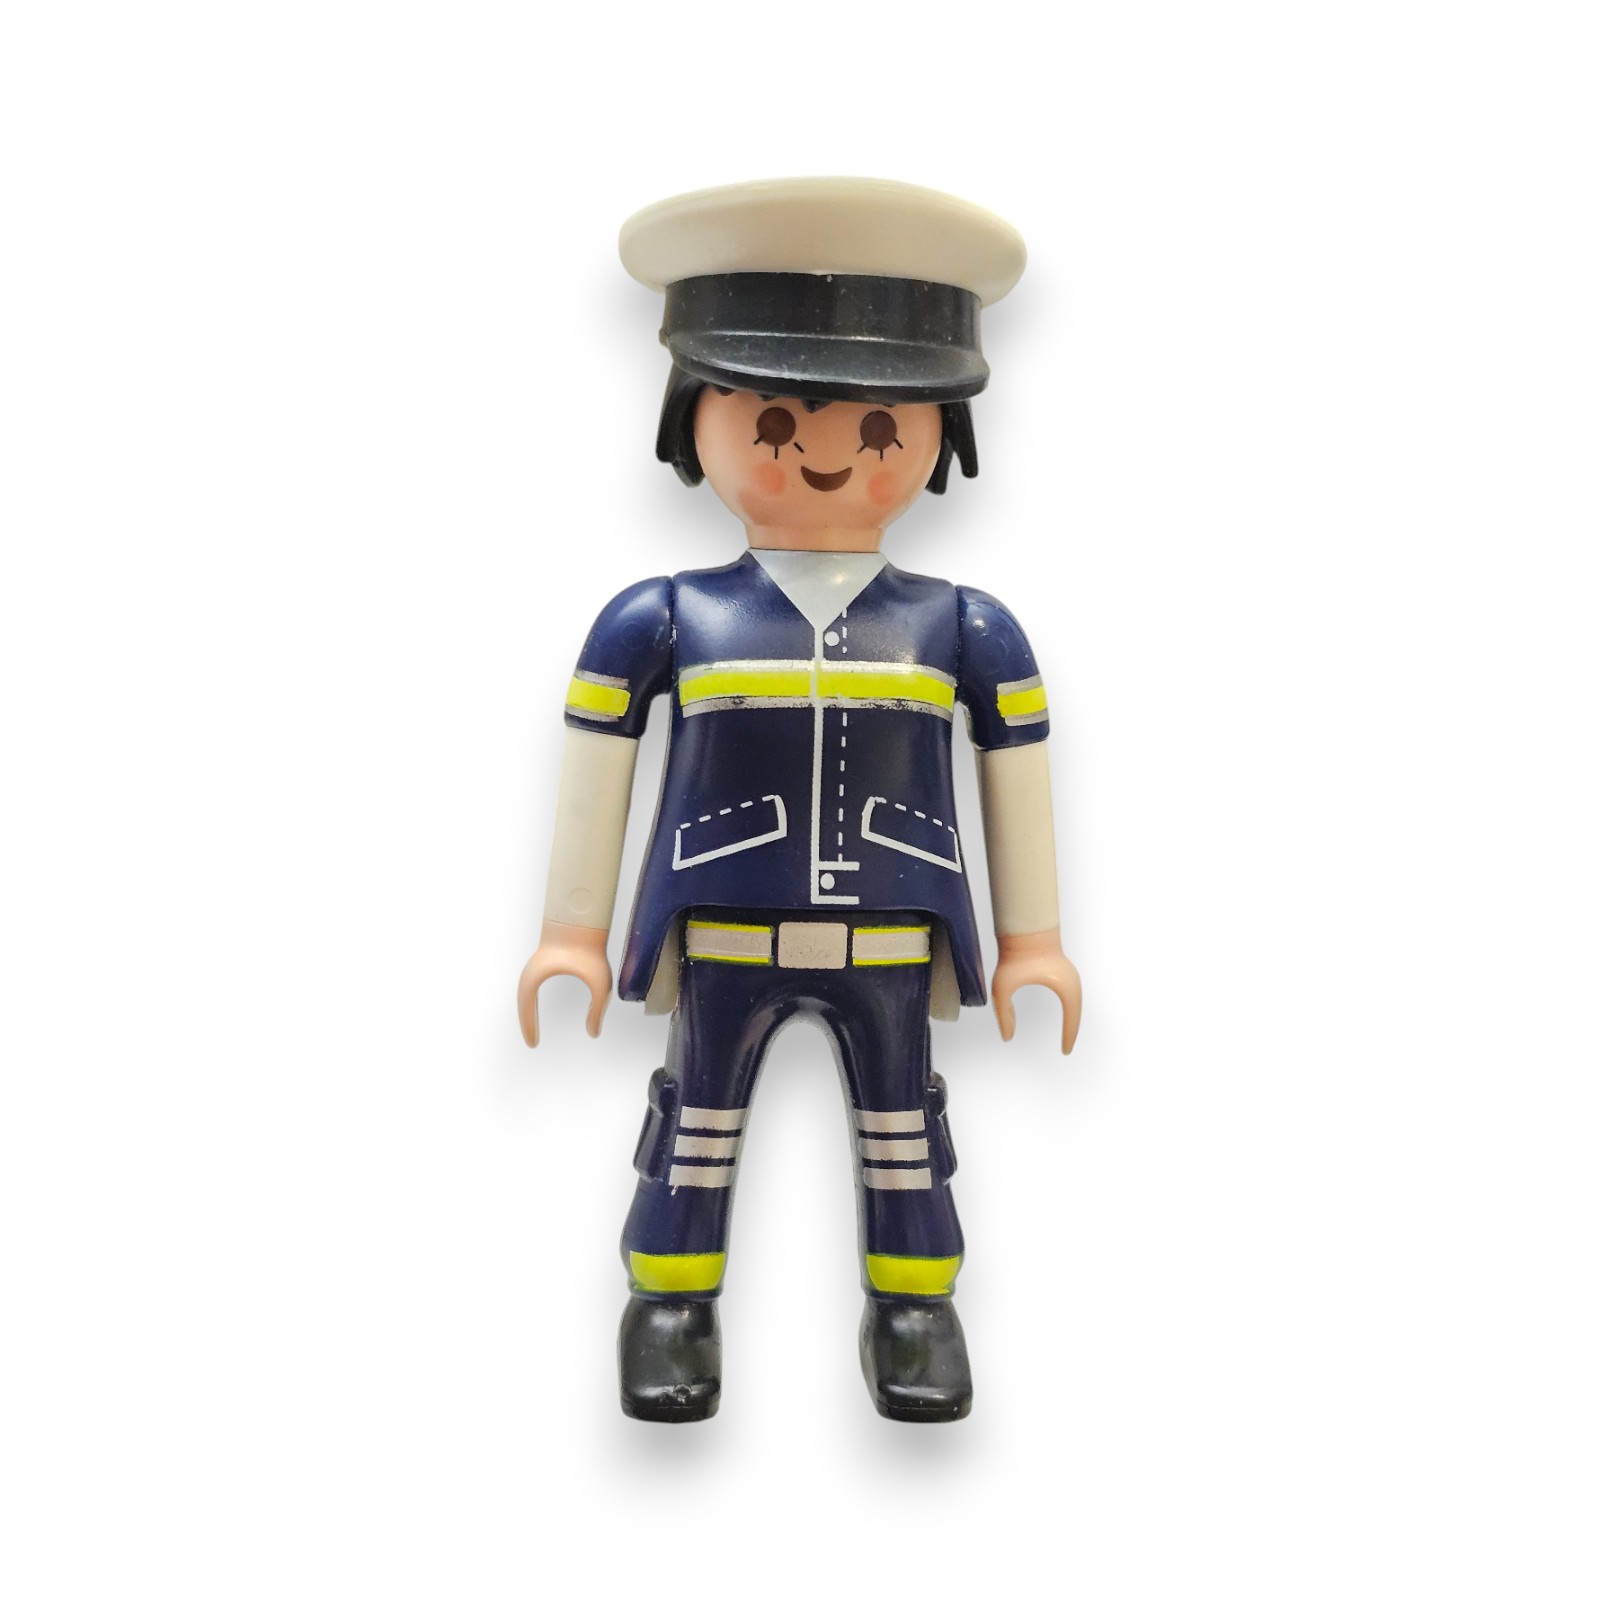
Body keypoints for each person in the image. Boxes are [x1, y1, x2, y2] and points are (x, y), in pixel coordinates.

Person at [518, 178, 1081, 1423]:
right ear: (694, 420)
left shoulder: (963, 627)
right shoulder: (662, 617)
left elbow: (1017, 766)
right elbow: (598, 762)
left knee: (903, 1125)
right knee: (695, 1120)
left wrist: (1033, 943)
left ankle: (915, 1306)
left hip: (895, 938)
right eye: (773, 415)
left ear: (939, 436)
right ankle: (669, 1300)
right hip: (722, 930)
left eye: (880, 425)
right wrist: (570, 932)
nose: (826, 450)